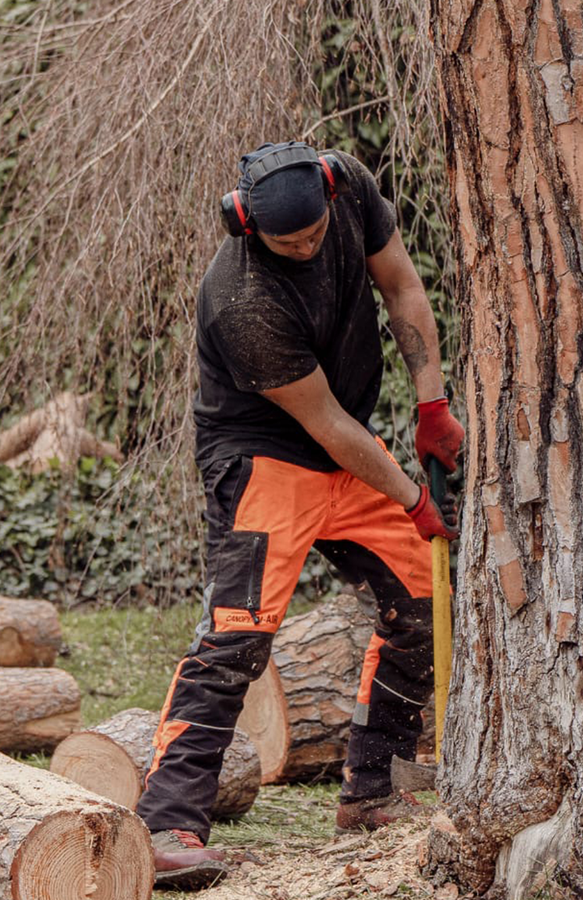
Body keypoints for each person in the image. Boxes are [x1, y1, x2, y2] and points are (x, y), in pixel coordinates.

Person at [139, 141, 463, 890]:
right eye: (290, 243)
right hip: (266, 459)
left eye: (315, 233)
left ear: (328, 192)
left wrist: (432, 404)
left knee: (421, 603)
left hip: (348, 449)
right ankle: (165, 825)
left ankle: (372, 792)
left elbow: (402, 286)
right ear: (246, 224)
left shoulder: (348, 184)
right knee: (236, 638)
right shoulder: (240, 297)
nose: (309, 247)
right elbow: (324, 425)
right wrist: (415, 499)